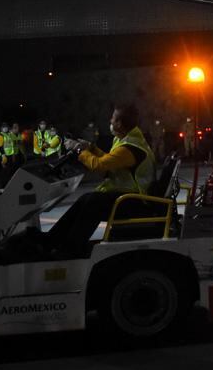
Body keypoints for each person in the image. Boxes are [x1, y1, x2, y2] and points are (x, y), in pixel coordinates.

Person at [50, 104, 156, 257]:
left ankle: (70, 249)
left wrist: (80, 150)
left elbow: (99, 165)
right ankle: (53, 240)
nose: (110, 121)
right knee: (85, 199)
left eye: (113, 118)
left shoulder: (129, 147)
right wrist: (91, 148)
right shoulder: (128, 140)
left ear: (119, 123)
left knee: (93, 203)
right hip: (130, 196)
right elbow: (111, 160)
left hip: (135, 200)